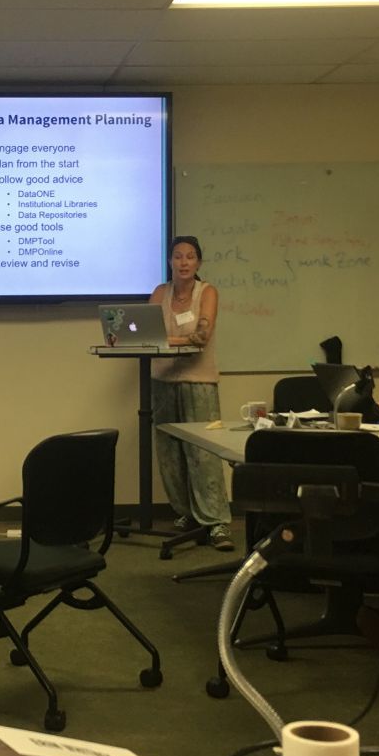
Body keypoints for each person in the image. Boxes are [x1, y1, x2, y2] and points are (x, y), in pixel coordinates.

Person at [149, 235, 233, 551]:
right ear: (169, 261)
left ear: (198, 262)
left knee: (203, 453)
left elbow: (202, 335)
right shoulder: (160, 293)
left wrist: (167, 339)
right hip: (162, 380)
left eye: (190, 256)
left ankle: (216, 522)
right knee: (170, 454)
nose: (183, 262)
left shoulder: (207, 292)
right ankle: (187, 512)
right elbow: (145, 333)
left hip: (199, 381)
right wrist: (176, 340)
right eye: (177, 256)